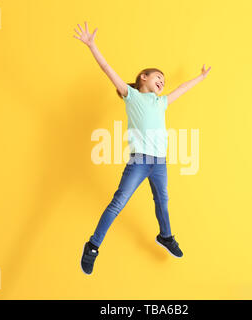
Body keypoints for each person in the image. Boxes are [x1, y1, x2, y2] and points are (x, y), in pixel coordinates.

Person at [73, 22, 211, 275]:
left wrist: (200, 78)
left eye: (164, 80)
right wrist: (92, 46)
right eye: (158, 77)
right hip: (139, 161)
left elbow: (181, 89)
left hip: (159, 162)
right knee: (118, 202)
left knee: (163, 201)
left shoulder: (161, 102)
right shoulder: (131, 96)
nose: (162, 82)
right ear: (142, 78)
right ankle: (92, 246)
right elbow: (106, 69)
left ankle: (165, 236)